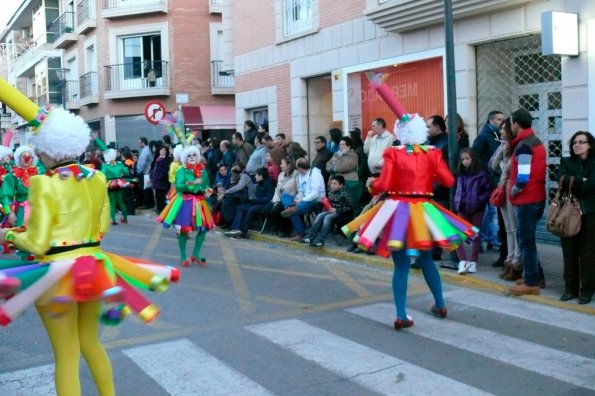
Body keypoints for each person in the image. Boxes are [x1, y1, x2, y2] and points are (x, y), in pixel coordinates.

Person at [0, 105, 176, 396]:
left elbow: (38, 244)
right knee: (91, 343)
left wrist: (8, 235)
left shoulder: (44, 183)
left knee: (66, 356)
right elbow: (102, 226)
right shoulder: (95, 178)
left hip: (55, 276)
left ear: (47, 149)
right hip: (93, 268)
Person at [345, 111, 476, 330]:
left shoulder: (394, 154)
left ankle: (401, 315)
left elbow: (384, 185)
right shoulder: (432, 153)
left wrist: (371, 185)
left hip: (398, 212)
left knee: (402, 265)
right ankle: (440, 304)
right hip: (425, 210)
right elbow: (448, 180)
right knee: (426, 260)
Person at [508, 109, 547, 296]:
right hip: (536, 197)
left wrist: (514, 191)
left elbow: (523, 177)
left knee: (526, 242)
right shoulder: (535, 141)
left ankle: (531, 282)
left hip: (527, 200)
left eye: (511, 123)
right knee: (527, 240)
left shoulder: (523, 145)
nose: (510, 126)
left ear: (516, 123)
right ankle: (535, 275)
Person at [157, 145, 214, 267]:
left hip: (200, 202)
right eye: (189, 155)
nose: (192, 157)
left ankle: (196, 254)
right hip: (186, 202)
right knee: (184, 230)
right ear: (184, 158)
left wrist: (208, 191)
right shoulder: (181, 171)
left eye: (194, 155)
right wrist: (193, 183)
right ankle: (183, 256)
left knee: (203, 229)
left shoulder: (202, 170)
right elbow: (179, 186)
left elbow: (207, 185)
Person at [557, 131, 595, 304]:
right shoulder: (566, 161)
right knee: (569, 252)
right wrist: (581, 179)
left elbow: (591, 185)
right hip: (569, 213)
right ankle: (570, 289)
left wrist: (574, 183)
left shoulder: (594, 162)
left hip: (590, 213)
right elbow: (560, 179)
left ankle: (586, 291)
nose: (577, 145)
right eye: (575, 142)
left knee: (588, 254)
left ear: (589, 145)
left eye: (582, 142)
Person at [489, 118, 522, 281]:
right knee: (508, 228)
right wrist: (502, 148)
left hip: (511, 187)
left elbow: (509, 168)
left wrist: (504, 159)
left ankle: (516, 261)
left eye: (503, 129)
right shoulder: (504, 146)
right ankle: (509, 259)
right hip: (502, 187)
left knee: (514, 228)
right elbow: (492, 165)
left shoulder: (517, 147)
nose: (500, 131)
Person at [454, 148, 492, 274]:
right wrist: (457, 201)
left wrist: (479, 201)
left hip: (476, 208)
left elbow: (486, 190)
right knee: (458, 234)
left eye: (467, 159)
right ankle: (462, 260)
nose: (465, 161)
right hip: (462, 207)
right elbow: (458, 189)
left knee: (475, 235)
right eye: (463, 159)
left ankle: (473, 261)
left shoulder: (480, 174)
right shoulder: (460, 174)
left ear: (473, 159)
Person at [474, 110, 505, 255]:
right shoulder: (484, 137)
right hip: (487, 179)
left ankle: (489, 239)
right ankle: (484, 239)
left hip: (494, 179)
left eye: (502, 119)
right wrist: (486, 171)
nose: (501, 122)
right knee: (489, 211)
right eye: (499, 119)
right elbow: (475, 155)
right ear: (491, 120)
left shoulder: (497, 136)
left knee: (492, 211)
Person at [300, 175, 354, 247]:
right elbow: (330, 203)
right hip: (331, 210)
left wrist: (336, 210)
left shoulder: (345, 194)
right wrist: (326, 207)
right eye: (331, 183)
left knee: (327, 218)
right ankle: (310, 236)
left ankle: (320, 240)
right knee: (320, 215)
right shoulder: (331, 192)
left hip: (342, 213)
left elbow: (349, 207)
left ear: (341, 185)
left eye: (335, 184)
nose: (332, 185)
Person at [280, 158, 326, 241]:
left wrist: (302, 200)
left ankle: (300, 233)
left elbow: (315, 194)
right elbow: (301, 190)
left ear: (300, 168)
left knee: (294, 211)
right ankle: (290, 207)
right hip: (303, 199)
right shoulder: (301, 175)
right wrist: (298, 198)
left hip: (315, 201)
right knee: (285, 195)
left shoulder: (315, 174)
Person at [224, 167, 274, 239]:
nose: (255, 177)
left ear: (261, 176)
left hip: (264, 204)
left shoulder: (269, 184)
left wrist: (255, 200)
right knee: (241, 208)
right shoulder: (259, 183)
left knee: (251, 210)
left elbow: (268, 198)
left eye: (256, 175)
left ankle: (243, 233)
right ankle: (235, 229)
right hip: (256, 202)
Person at [262, 157, 297, 237]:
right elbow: (277, 189)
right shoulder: (281, 175)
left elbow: (298, 190)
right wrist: (275, 201)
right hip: (279, 198)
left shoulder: (296, 175)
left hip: (290, 199)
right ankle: (278, 226)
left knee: (275, 211)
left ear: (289, 165)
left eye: (282, 163)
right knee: (265, 210)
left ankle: (285, 229)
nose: (280, 165)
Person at [326, 136, 361, 208]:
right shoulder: (336, 154)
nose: (340, 146)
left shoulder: (352, 155)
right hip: (334, 181)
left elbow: (346, 166)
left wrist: (334, 168)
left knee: (345, 202)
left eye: (343, 144)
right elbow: (327, 165)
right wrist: (331, 168)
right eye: (340, 144)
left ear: (348, 146)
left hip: (348, 181)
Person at [101, 148, 131, 225]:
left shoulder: (105, 165)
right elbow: (126, 172)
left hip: (110, 184)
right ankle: (125, 218)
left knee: (112, 202)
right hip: (120, 183)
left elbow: (102, 174)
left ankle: (113, 220)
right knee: (121, 201)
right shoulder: (119, 163)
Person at [150, 145, 172, 213]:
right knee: (157, 196)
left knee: (162, 196)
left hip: (163, 181)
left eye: (164, 150)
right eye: (161, 150)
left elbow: (165, 171)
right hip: (156, 181)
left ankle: (163, 210)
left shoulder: (167, 159)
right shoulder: (157, 158)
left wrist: (158, 177)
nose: (163, 151)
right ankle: (159, 209)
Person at [136, 136, 154, 209]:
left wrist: (138, 170)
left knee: (145, 188)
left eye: (139, 143)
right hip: (146, 171)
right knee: (147, 188)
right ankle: (149, 204)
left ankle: (147, 204)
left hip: (144, 172)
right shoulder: (146, 149)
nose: (138, 144)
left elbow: (142, 162)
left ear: (143, 143)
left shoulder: (145, 150)